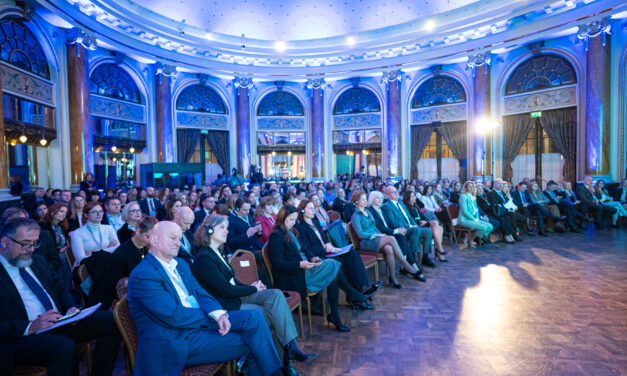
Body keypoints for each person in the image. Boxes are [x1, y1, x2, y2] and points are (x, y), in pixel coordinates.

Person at [127, 221, 283, 376]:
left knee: (255, 317)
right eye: (172, 238)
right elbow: (174, 316)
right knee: (254, 340)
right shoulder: (143, 275)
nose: (178, 244)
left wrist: (219, 313)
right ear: (154, 240)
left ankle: (274, 371)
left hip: (197, 325)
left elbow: (200, 293)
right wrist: (213, 318)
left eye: (180, 239)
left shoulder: (180, 264)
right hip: (176, 340)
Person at [191, 215, 316, 376]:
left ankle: (291, 347)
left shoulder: (217, 252)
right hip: (227, 304)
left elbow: (233, 281)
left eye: (226, 227)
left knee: (276, 295)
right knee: (271, 316)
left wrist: (251, 286)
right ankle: (285, 364)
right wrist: (253, 290)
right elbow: (226, 290)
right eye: (222, 227)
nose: (227, 230)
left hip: (236, 295)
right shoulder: (204, 258)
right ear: (209, 230)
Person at [0, 218, 121, 376]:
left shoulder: (37, 261)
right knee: (64, 347)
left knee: (111, 320)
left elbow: (61, 291)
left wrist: (71, 309)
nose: (30, 249)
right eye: (25, 244)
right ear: (4, 242)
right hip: (21, 337)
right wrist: (30, 326)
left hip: (58, 322)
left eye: (34, 244)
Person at [267, 206, 349, 332]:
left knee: (333, 274)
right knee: (333, 264)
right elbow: (278, 264)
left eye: (295, 219)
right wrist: (300, 265)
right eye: (290, 219)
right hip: (293, 275)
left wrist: (312, 258)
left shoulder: (290, 231)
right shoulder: (276, 235)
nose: (293, 222)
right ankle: (353, 298)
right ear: (282, 218)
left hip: (304, 268)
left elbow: (304, 248)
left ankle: (336, 315)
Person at [296, 200, 379, 309]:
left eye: (313, 208)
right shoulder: (300, 227)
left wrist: (329, 245)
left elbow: (324, 239)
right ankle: (357, 297)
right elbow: (308, 248)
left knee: (353, 254)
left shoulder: (315, 222)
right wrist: (326, 249)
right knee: (344, 263)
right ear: (302, 211)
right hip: (320, 256)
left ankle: (363, 288)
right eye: (310, 208)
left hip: (328, 251)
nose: (314, 210)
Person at [351, 190, 424, 288]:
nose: (365, 201)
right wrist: (377, 235)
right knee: (392, 239)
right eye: (363, 200)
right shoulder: (355, 216)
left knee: (389, 249)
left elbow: (376, 227)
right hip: (366, 242)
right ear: (356, 202)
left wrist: (380, 234)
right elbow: (360, 234)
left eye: (365, 199)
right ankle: (406, 265)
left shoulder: (368, 212)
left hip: (376, 238)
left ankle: (393, 277)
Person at [105, 216, 157, 307]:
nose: (150, 241)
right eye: (147, 237)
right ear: (137, 231)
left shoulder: (146, 247)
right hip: (128, 297)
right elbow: (112, 285)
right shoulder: (121, 254)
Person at [381, 186, 436, 268]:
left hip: (411, 227)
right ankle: (412, 258)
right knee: (416, 230)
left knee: (428, 231)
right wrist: (410, 226)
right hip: (401, 230)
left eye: (396, 191)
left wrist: (414, 224)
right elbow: (393, 223)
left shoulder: (401, 204)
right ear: (388, 195)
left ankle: (425, 257)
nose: (396, 193)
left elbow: (409, 217)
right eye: (393, 192)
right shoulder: (387, 206)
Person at [69, 202, 120, 266]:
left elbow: (117, 248)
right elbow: (81, 259)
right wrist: (108, 248)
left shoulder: (109, 228)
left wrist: (94, 253)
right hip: (87, 270)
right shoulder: (77, 233)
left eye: (101, 211)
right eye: (94, 212)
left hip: (108, 265)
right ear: (86, 215)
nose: (99, 214)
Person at [404, 190, 449, 259]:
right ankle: (439, 249)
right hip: (417, 225)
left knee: (440, 228)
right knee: (435, 223)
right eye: (411, 197)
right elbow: (411, 220)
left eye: (414, 196)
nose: (413, 198)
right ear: (407, 198)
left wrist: (426, 221)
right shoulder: (407, 208)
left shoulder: (416, 206)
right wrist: (423, 222)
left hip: (423, 223)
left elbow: (423, 212)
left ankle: (439, 250)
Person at [458, 181, 493, 247]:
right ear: (465, 188)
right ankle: (470, 240)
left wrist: (477, 218)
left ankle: (470, 238)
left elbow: (476, 210)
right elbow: (465, 211)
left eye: (472, 187)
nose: (471, 188)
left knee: (490, 226)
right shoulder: (463, 197)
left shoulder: (473, 197)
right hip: (464, 219)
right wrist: (474, 219)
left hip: (473, 218)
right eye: (469, 186)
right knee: (483, 227)